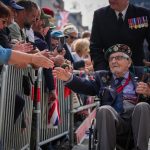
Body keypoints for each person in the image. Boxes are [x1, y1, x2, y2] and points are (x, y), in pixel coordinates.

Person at [53, 44, 150, 150]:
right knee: (104, 109)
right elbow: (86, 86)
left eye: (118, 58)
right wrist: (69, 78)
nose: (113, 61)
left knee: (143, 106)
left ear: (129, 62)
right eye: (111, 59)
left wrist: (149, 92)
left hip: (137, 118)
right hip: (114, 118)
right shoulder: (102, 76)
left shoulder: (142, 74)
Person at [90, 0, 150, 71]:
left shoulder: (143, 14)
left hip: (136, 69)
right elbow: (95, 46)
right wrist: (101, 69)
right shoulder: (100, 15)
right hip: (109, 70)